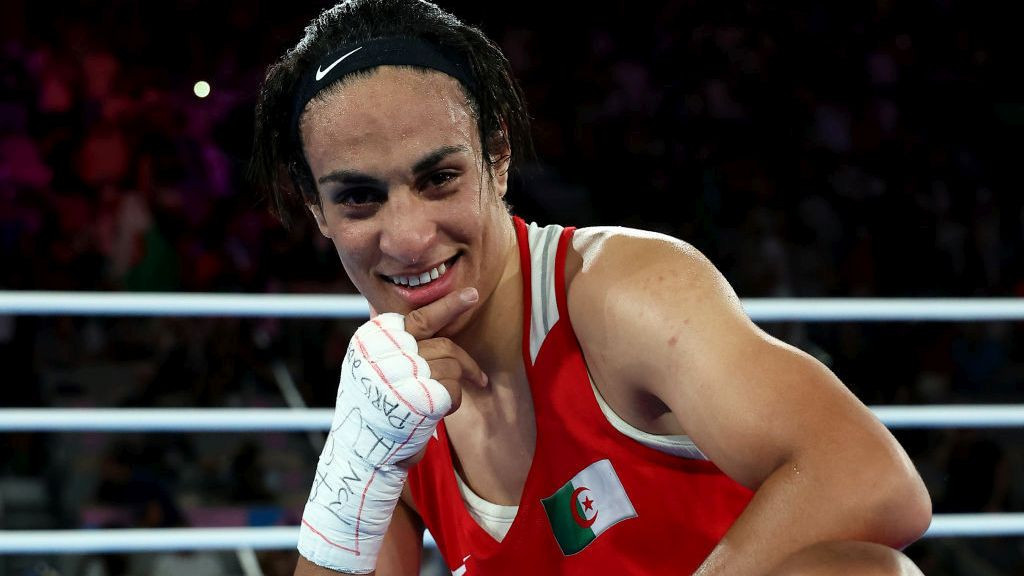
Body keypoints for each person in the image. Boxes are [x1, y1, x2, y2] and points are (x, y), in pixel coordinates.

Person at [249, 1, 932, 574]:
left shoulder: (618, 290)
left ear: (498, 154)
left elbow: (871, 479)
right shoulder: (394, 396)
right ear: (316, 211)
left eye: (438, 180)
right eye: (360, 199)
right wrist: (353, 465)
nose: (408, 237)